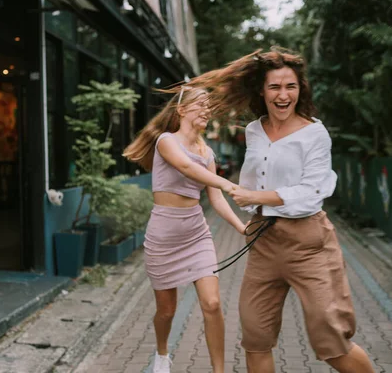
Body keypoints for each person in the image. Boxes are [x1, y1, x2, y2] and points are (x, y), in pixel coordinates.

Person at [187, 47, 375, 373]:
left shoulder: (315, 133)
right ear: (262, 90)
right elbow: (250, 181)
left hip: (309, 243)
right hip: (263, 241)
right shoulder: (254, 131)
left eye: (291, 86)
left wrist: (258, 195)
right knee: (255, 337)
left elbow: (313, 191)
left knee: (332, 342)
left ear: (300, 90)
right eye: (275, 87)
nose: (283, 95)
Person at [123, 86, 246, 373]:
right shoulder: (167, 141)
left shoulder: (207, 152)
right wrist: (227, 183)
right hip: (163, 238)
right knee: (166, 311)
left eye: (208, 106)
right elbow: (187, 169)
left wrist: (242, 228)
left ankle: (219, 370)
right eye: (200, 105)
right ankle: (163, 354)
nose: (206, 110)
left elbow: (215, 199)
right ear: (181, 110)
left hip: (196, 235)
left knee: (212, 303)